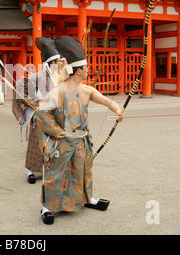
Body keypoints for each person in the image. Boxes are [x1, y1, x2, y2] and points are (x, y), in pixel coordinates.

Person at [35, 36, 124, 225]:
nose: (88, 70)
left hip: (82, 141)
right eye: (86, 68)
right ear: (78, 71)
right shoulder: (60, 90)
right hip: (63, 140)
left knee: (83, 170)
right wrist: (57, 132)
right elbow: (41, 111)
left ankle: (87, 198)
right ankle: (47, 207)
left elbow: (107, 101)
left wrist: (117, 110)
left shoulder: (87, 90)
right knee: (55, 172)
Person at [12, 37, 64, 185]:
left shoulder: (60, 78)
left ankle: (51, 170)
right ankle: (30, 171)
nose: (60, 63)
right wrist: (33, 102)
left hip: (55, 115)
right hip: (40, 114)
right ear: (52, 62)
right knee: (36, 142)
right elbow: (20, 87)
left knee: (55, 142)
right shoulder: (38, 76)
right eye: (59, 61)